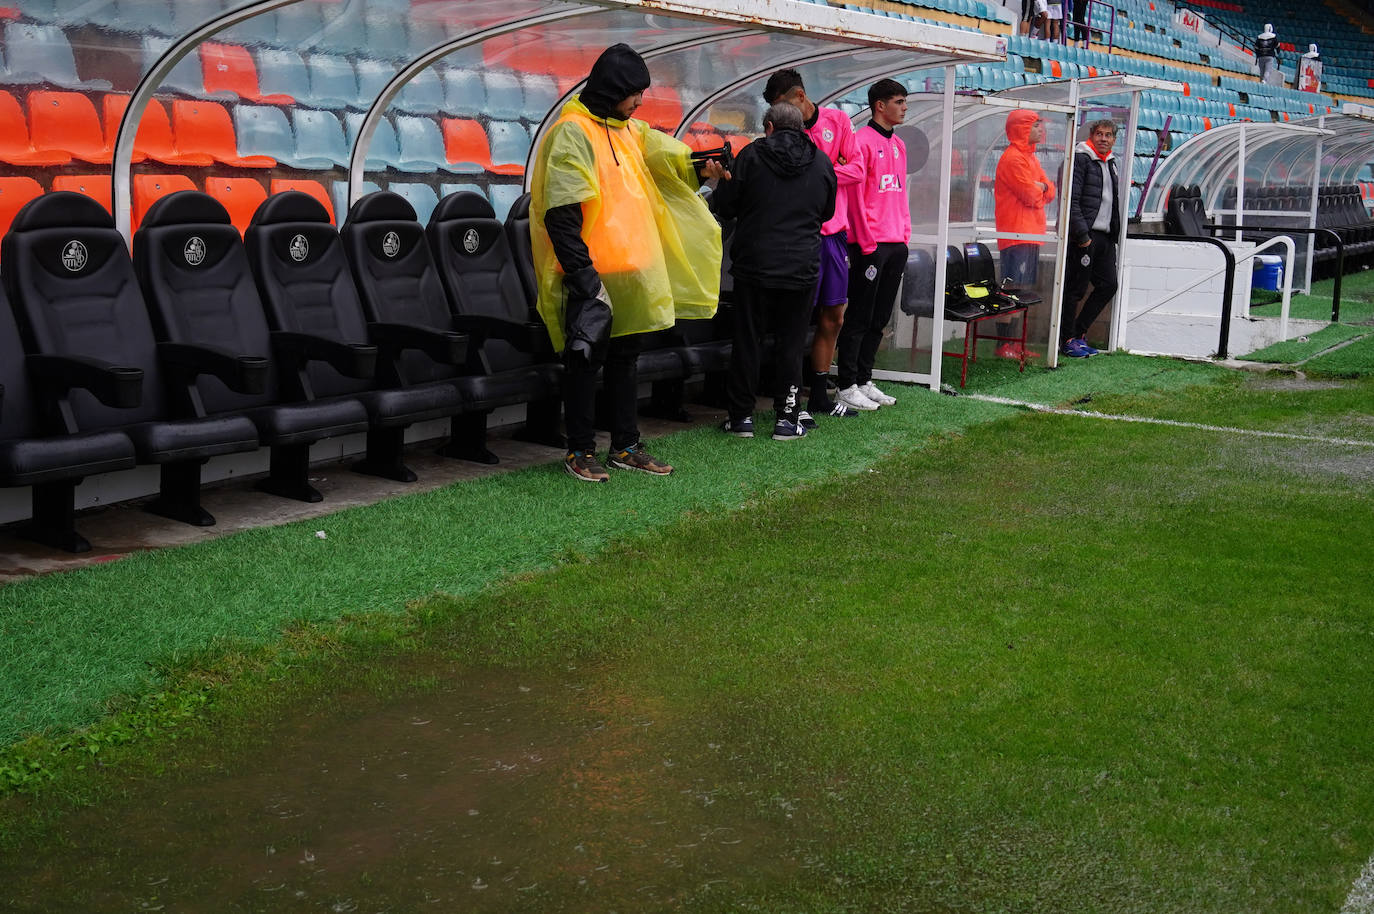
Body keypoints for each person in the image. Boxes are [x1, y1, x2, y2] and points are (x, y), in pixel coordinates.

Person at [530, 43, 725, 482]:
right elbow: (561, 215)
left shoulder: (628, 130)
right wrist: (584, 278)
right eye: (635, 92)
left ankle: (625, 445)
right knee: (584, 362)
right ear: (613, 88)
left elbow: (671, 159)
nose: (640, 101)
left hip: (630, 272)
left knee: (625, 361)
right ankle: (580, 451)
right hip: (590, 275)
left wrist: (705, 165)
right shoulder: (572, 132)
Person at [714, 103, 836, 441]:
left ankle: (741, 419)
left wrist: (721, 182)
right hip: (801, 267)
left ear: (769, 126)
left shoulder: (751, 156)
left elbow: (725, 206)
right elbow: (827, 212)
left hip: (755, 265)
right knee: (791, 344)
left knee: (748, 341)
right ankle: (786, 418)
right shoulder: (822, 161)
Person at [762, 67, 863, 426]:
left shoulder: (838, 120)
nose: (778, 115)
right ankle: (792, 399)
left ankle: (819, 396)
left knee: (833, 316)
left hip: (833, 235)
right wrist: (825, 167)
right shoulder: (784, 132)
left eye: (782, 105)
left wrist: (817, 171)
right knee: (795, 320)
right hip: (801, 236)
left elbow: (858, 170)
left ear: (800, 97)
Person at [835, 78, 910, 412]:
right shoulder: (860, 142)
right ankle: (846, 384)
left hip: (895, 243)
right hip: (869, 244)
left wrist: (905, 234)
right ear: (880, 105)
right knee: (859, 317)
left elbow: (899, 194)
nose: (904, 107)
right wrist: (865, 241)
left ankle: (865, 379)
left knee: (880, 317)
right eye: (899, 101)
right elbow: (854, 197)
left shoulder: (900, 145)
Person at [993, 109, 1055, 360]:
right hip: (1016, 235)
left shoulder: (1031, 158)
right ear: (1022, 128)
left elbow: (1050, 190)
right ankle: (1003, 344)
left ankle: (1015, 343)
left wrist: (1040, 188)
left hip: (1030, 235)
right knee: (1011, 289)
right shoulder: (1012, 159)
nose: (1042, 129)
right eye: (1037, 125)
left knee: (1022, 290)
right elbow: (1031, 195)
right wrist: (1040, 189)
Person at [1060, 119, 1120, 358]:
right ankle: (1066, 340)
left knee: (1109, 284)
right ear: (1091, 136)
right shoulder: (1081, 159)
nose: (1104, 139)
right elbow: (1071, 200)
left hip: (1105, 237)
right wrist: (1082, 235)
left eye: (1108, 135)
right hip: (1085, 236)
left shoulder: (1112, 163)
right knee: (1075, 289)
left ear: (1114, 140)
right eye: (1099, 134)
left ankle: (1078, 332)